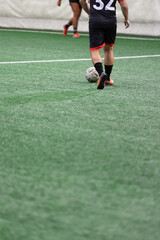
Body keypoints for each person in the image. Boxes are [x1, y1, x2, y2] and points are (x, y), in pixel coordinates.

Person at [80, 0, 130, 89]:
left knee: (95, 50)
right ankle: (107, 79)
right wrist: (126, 18)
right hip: (110, 22)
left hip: (95, 21)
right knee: (109, 49)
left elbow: (81, 1)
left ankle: (101, 73)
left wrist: (89, 12)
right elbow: (124, 5)